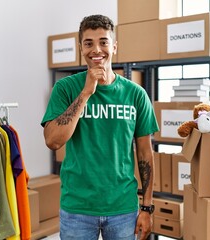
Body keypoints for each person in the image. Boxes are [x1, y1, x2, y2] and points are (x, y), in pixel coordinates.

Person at [41, 14, 159, 240]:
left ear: (114, 47)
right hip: (77, 208)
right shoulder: (66, 88)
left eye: (103, 42)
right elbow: (53, 140)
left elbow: (145, 153)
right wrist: (86, 92)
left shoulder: (136, 94)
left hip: (123, 208)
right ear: (80, 48)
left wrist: (147, 207)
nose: (97, 49)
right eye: (88, 43)